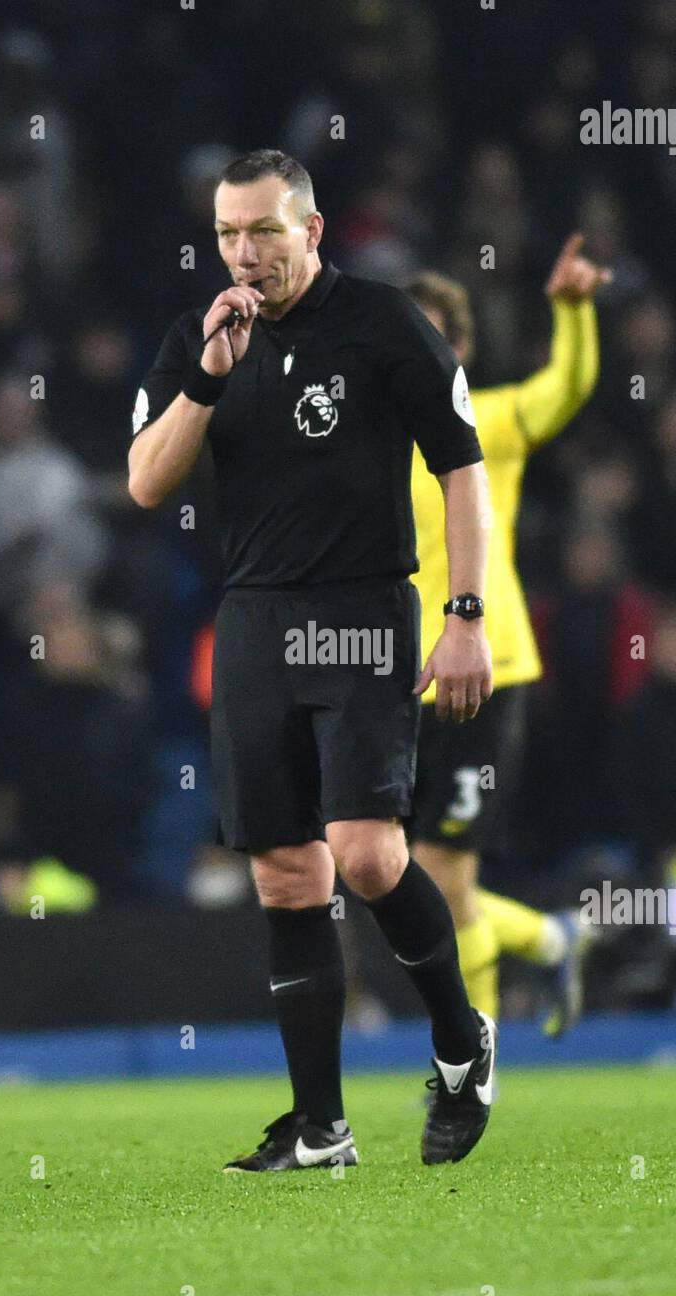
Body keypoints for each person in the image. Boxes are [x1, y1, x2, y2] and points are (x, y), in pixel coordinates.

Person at [128, 149, 496, 1171]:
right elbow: (147, 482)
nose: (246, 255)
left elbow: (463, 470)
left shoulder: (384, 325)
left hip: (366, 611)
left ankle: (463, 1046)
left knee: (368, 852)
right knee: (288, 875)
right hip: (254, 623)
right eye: (228, 236)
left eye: (265, 233)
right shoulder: (199, 342)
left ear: (313, 230)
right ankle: (322, 1128)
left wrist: (465, 614)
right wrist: (207, 374)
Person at [404, 236, 611, 1032]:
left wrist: (572, 312)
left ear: (458, 350)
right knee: (401, 874)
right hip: (399, 679)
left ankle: (473, 1058)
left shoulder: (491, 422)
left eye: (432, 338)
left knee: (444, 875)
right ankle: (550, 941)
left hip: (488, 671)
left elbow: (565, 389)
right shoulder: (371, 446)